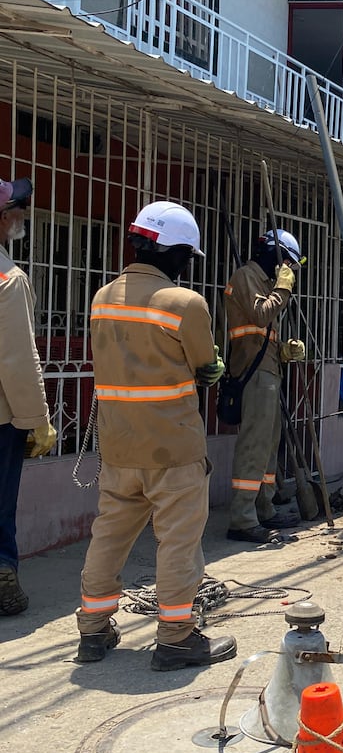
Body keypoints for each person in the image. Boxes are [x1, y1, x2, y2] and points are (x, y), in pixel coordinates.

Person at [75, 201, 237, 669]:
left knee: (108, 535)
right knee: (179, 543)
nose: (187, 266)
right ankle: (176, 638)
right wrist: (210, 371)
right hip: (173, 447)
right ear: (173, 251)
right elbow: (206, 365)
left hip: (120, 446)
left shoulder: (102, 297)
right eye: (187, 256)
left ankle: (93, 631)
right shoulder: (184, 303)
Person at [223, 230, 306, 544]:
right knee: (254, 445)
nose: (285, 268)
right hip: (252, 374)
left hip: (269, 370)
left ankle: (264, 507)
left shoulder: (265, 283)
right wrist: (283, 290)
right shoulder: (247, 276)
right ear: (272, 252)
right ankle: (242, 518)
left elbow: (263, 335)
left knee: (269, 445)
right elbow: (260, 316)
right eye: (285, 261)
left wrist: (284, 350)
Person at [0, 177, 57, 616]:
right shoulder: (8, 278)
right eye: (17, 208)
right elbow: (17, 356)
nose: (22, 215)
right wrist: (36, 419)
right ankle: (3, 580)